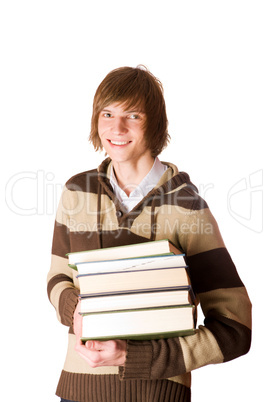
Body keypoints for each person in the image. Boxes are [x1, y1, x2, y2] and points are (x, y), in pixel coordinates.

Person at [47, 66, 252, 402]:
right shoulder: (76, 191)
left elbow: (235, 329)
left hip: (156, 396)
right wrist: (76, 310)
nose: (117, 127)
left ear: (154, 124)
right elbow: (57, 279)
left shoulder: (187, 206)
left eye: (133, 115)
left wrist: (136, 357)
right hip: (77, 392)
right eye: (107, 113)